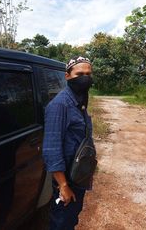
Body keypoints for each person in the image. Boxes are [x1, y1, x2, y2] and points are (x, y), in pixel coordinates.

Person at [42, 56, 94, 230]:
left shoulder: (79, 100)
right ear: (67, 76)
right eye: (80, 73)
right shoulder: (60, 105)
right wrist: (63, 186)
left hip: (78, 175)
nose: (85, 77)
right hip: (67, 180)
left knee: (71, 218)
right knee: (62, 222)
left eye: (88, 73)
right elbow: (51, 149)